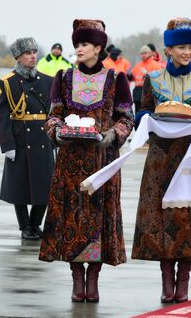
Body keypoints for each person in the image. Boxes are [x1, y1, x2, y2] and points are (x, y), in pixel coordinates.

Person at [39, 19, 134, 303]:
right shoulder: (64, 77)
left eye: (84, 44)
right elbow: (53, 115)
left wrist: (112, 135)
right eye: (77, 44)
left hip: (102, 162)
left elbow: (127, 117)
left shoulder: (116, 79)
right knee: (73, 217)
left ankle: (93, 280)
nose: (79, 49)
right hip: (70, 161)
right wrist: (57, 132)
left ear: (98, 47)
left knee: (97, 219)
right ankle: (76, 278)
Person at [131, 17, 191, 303]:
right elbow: (142, 112)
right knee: (162, 220)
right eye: (181, 47)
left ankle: (184, 281)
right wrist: (146, 120)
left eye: (190, 47)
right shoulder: (153, 79)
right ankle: (166, 281)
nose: (186, 52)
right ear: (168, 49)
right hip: (161, 160)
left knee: (190, 220)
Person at [0, 37, 54, 240]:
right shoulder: (7, 82)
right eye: (28, 53)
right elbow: (1, 116)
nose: (33, 56)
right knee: (19, 185)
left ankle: (36, 223)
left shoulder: (47, 80)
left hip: (43, 138)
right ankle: (25, 226)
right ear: (18, 57)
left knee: (46, 184)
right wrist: (7, 144)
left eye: (34, 52)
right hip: (20, 138)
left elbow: (54, 112)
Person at [130, 45, 162, 115]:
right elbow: (132, 78)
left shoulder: (155, 65)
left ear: (150, 53)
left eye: (145, 53)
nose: (143, 55)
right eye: (142, 54)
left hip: (149, 92)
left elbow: (159, 80)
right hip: (137, 92)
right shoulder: (138, 65)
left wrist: (147, 74)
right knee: (138, 113)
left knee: (148, 114)